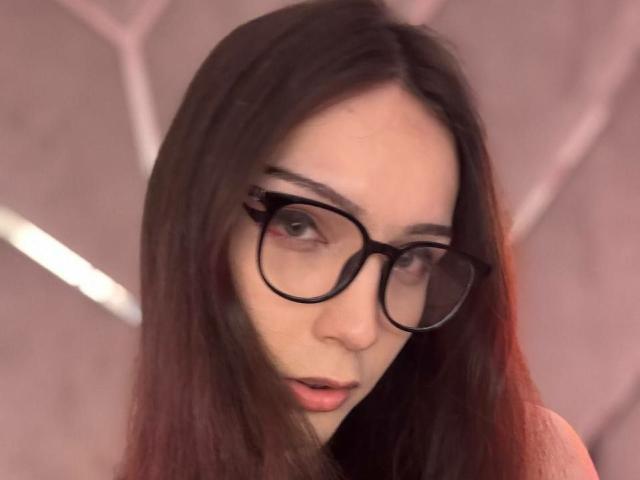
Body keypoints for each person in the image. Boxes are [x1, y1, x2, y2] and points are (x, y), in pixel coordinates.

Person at [117, 0, 599, 478]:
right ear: (197, 216)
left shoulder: (524, 462)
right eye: (300, 226)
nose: (360, 329)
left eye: (413, 260)